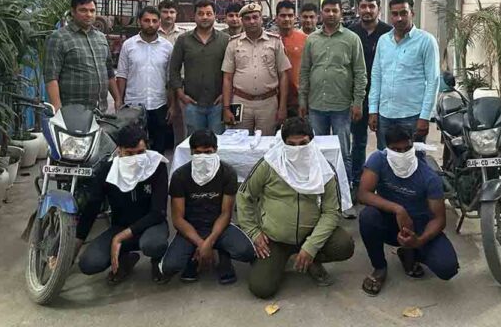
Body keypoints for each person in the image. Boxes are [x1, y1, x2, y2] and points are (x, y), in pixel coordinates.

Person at [237, 117, 355, 299]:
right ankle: (283, 261)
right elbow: (244, 196)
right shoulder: (269, 164)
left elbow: (331, 212)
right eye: (291, 145)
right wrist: (253, 231)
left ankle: (310, 259)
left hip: (310, 234)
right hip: (274, 238)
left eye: (303, 144)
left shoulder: (324, 169)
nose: (298, 149)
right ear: (283, 144)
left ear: (311, 142)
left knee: (344, 245)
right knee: (261, 288)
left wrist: (311, 246)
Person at [358, 124, 459, 296]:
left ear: (413, 144)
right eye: (396, 150)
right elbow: (363, 194)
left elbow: (439, 219)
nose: (403, 154)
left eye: (407, 148)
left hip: (420, 225)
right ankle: (379, 267)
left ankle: (410, 252)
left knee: (447, 267)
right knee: (368, 217)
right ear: (387, 148)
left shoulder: (428, 176)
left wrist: (420, 240)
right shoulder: (378, 160)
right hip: (390, 221)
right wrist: (398, 209)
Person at [77, 124, 169, 284]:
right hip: (119, 226)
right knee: (89, 263)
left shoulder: (157, 166)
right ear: (119, 151)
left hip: (151, 225)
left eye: (140, 153)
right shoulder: (108, 170)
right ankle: (125, 260)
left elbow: (158, 212)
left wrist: (119, 238)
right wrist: (71, 251)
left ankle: (157, 261)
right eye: (129, 153)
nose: (135, 158)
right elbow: (92, 208)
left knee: (153, 244)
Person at [160, 130, 256, 284]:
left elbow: (226, 213)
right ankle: (194, 255)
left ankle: (223, 255)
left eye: (208, 152)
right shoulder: (180, 176)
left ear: (216, 150)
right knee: (170, 266)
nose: (203, 157)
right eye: (198, 153)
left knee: (246, 252)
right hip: (191, 227)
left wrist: (209, 242)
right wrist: (201, 244)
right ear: (191, 152)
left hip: (219, 226)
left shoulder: (227, 173)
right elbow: (177, 218)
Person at [298, 0, 367, 188]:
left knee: (342, 152)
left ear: (341, 13)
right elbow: (304, 71)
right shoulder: (312, 40)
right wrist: (302, 100)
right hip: (316, 105)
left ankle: (344, 192)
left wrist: (358, 102)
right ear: (321, 13)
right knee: (316, 151)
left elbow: (360, 73)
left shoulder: (352, 39)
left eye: (334, 11)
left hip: (341, 107)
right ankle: (319, 189)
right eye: (327, 10)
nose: (330, 14)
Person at [368, 0, 440, 149]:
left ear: (412, 13)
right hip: (385, 116)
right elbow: (377, 76)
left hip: (412, 116)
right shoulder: (383, 41)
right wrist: (373, 110)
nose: (399, 18)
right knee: (386, 158)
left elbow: (433, 81)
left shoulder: (426, 41)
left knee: (413, 159)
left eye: (403, 13)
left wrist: (425, 116)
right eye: (395, 14)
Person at [348, 0, 393, 204]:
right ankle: (358, 182)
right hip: (358, 96)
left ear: (378, 9)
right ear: (358, 9)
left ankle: (385, 184)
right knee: (358, 142)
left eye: (371, 6)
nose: (367, 10)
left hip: (383, 97)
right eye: (363, 6)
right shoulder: (351, 33)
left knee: (384, 143)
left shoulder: (389, 33)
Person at [44, 0, 122, 112]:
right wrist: (57, 108)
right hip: (72, 111)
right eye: (83, 10)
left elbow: (109, 72)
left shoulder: (101, 37)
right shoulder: (59, 38)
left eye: (92, 11)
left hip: (100, 110)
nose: (89, 14)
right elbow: (51, 76)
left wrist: (117, 99)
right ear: (73, 12)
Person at [222, 3, 291, 136]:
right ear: (242, 21)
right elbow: (227, 77)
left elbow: (283, 75)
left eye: (255, 17)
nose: (252, 21)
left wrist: (282, 107)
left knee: (266, 142)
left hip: (268, 103)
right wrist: (226, 108)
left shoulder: (275, 42)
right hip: (240, 101)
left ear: (261, 19)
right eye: (247, 18)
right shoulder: (233, 43)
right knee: (239, 142)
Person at [116, 6, 174, 154]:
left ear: (159, 22)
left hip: (159, 105)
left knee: (158, 150)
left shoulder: (167, 47)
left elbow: (171, 79)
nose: (151, 24)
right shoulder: (128, 45)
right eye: (146, 20)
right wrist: (118, 100)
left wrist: (172, 106)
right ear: (139, 21)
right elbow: (122, 74)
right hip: (133, 105)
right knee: (133, 149)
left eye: (154, 21)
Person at [169, 0, 231, 136]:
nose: (204, 17)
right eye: (201, 13)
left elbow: (232, 71)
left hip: (218, 104)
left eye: (208, 13)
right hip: (192, 104)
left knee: (217, 142)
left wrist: (225, 95)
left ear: (215, 16)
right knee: (194, 142)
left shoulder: (225, 40)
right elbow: (173, 69)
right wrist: (180, 94)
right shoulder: (183, 40)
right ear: (194, 16)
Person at [277, 0, 308, 117]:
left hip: (298, 100)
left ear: (295, 18)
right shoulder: (270, 40)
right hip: (274, 100)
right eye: (283, 15)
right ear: (276, 18)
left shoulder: (306, 40)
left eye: (290, 15)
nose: (286, 19)